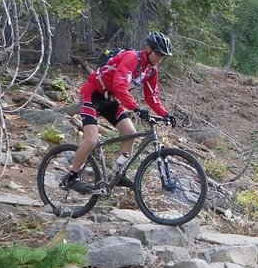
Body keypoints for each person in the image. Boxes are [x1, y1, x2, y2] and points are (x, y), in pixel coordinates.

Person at [60, 31, 177, 189]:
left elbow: (152, 96)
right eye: (158, 53)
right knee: (91, 140)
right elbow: (119, 86)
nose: (160, 59)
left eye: (163, 56)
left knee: (130, 133)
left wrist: (165, 114)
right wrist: (136, 108)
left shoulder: (151, 70)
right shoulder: (131, 58)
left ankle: (117, 174)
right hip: (92, 94)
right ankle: (71, 177)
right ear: (148, 49)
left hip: (109, 99)